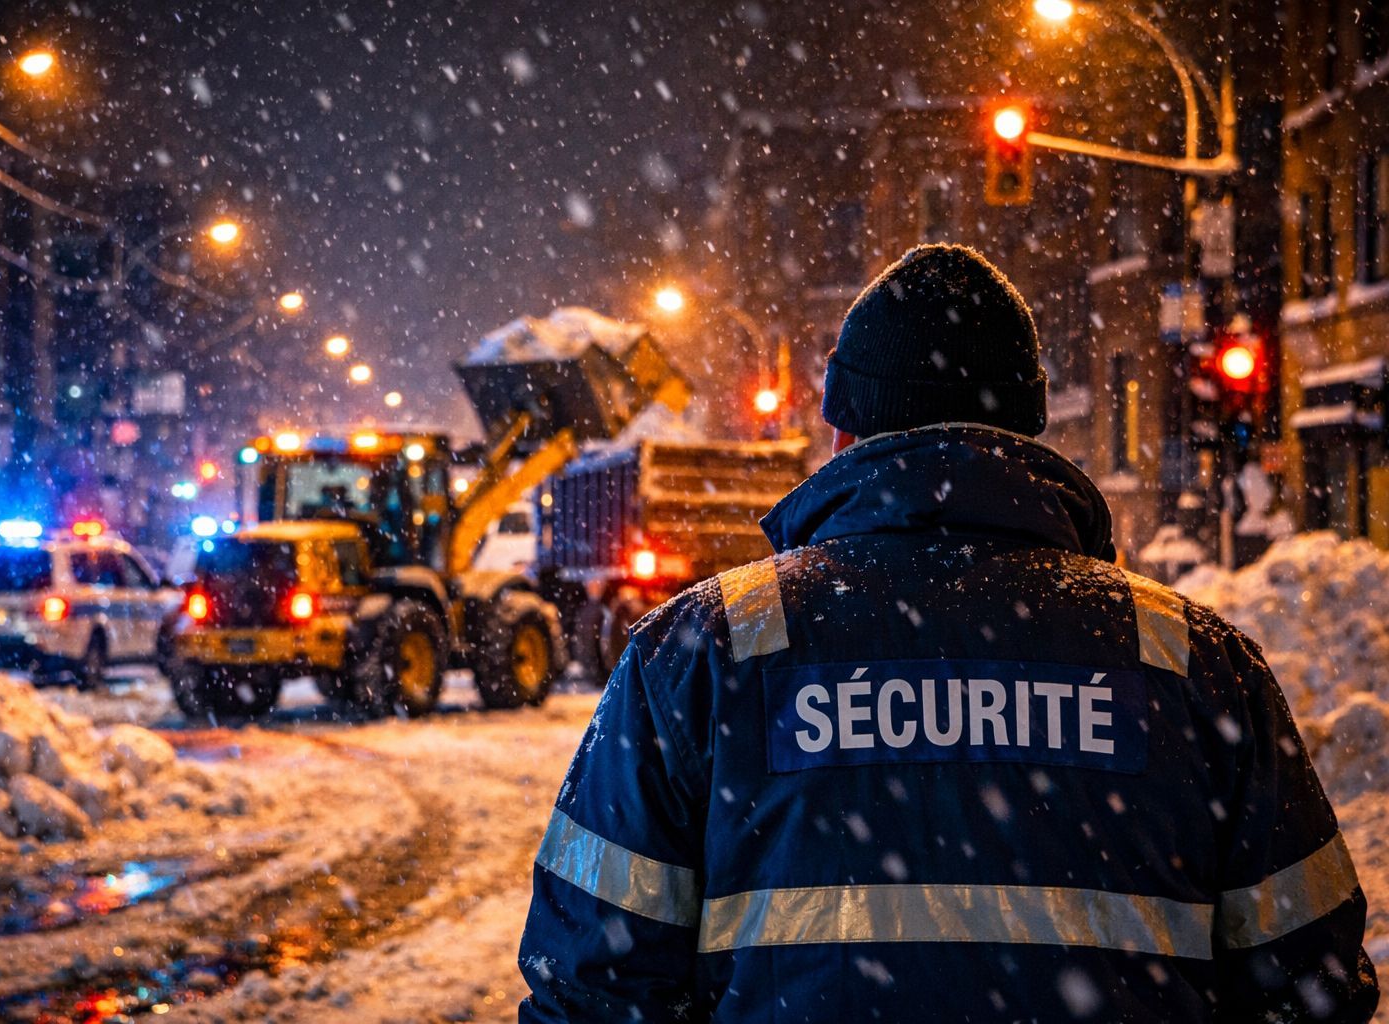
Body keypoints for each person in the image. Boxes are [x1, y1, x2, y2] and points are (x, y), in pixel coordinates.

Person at [518, 243, 1378, 1022]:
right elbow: (1313, 989)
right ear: (1028, 424)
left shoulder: (707, 650)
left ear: (843, 430)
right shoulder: (1190, 659)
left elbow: (591, 987)